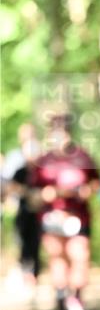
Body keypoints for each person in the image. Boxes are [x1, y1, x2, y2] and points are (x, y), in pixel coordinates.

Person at [29, 113, 100, 310]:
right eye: (54, 132)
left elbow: (96, 183)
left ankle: (76, 299)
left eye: (63, 131)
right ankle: (60, 303)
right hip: (52, 217)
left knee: (79, 257)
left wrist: (87, 191)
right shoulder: (43, 161)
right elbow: (32, 195)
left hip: (78, 217)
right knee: (57, 259)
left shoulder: (83, 157)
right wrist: (47, 194)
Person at [1, 123, 43, 295]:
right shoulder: (16, 164)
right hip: (23, 210)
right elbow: (9, 185)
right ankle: (26, 274)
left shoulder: (43, 169)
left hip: (40, 213)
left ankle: (34, 275)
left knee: (36, 244)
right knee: (23, 242)